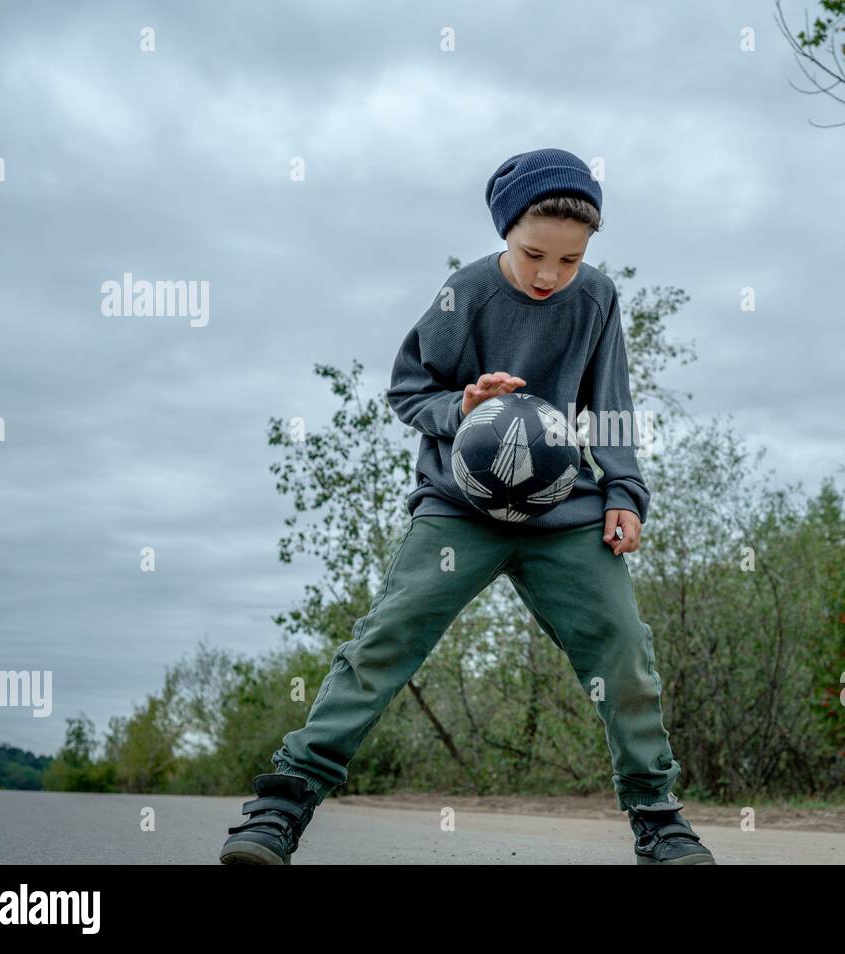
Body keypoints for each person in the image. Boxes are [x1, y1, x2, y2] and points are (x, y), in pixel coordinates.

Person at [220, 148, 714, 865]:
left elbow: (610, 407)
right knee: (387, 638)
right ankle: (281, 804)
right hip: (459, 506)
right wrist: (464, 405)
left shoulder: (598, 298)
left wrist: (625, 493)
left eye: (569, 260)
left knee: (624, 650)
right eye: (533, 254)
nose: (550, 275)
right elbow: (407, 391)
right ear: (504, 231)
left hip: (563, 511)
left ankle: (658, 818)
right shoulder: (466, 293)